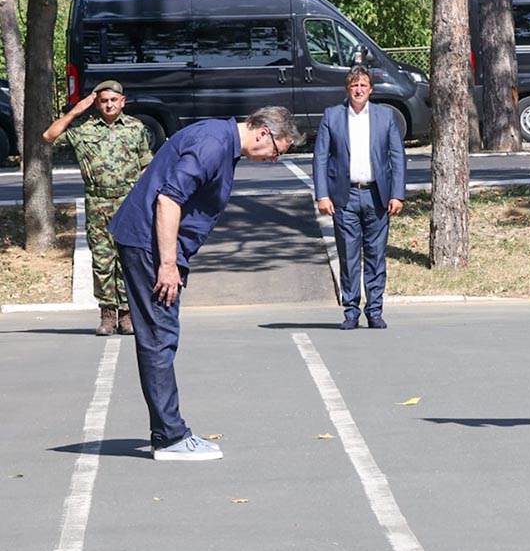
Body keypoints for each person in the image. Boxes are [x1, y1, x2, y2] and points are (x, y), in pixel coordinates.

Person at [108, 107, 302, 461]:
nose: (275, 159)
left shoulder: (222, 141)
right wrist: (168, 264)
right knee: (159, 338)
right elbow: (168, 199)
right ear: (263, 132)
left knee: (160, 337)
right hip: (151, 246)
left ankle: (168, 432)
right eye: (278, 152)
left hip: (154, 244)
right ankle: (169, 437)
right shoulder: (213, 144)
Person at [42, 80, 153, 336]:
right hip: (98, 203)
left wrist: (147, 201)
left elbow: (147, 165)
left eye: (114, 100)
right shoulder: (83, 129)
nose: (109, 105)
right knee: (103, 261)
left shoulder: (136, 129)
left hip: (129, 202)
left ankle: (126, 314)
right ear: (96, 103)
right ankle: (107, 314)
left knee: (128, 259)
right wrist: (75, 111)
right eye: (104, 100)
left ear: (123, 102)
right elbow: (49, 135)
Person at [313, 66, 407, 330]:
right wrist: (322, 194)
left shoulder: (384, 116)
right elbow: (320, 157)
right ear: (347, 89)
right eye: (354, 85)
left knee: (376, 256)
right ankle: (351, 311)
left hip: (377, 196)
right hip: (345, 197)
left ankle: (374, 311)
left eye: (363, 85)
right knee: (349, 257)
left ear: (371, 89)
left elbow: (397, 156)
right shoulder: (332, 117)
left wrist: (397, 194)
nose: (359, 90)